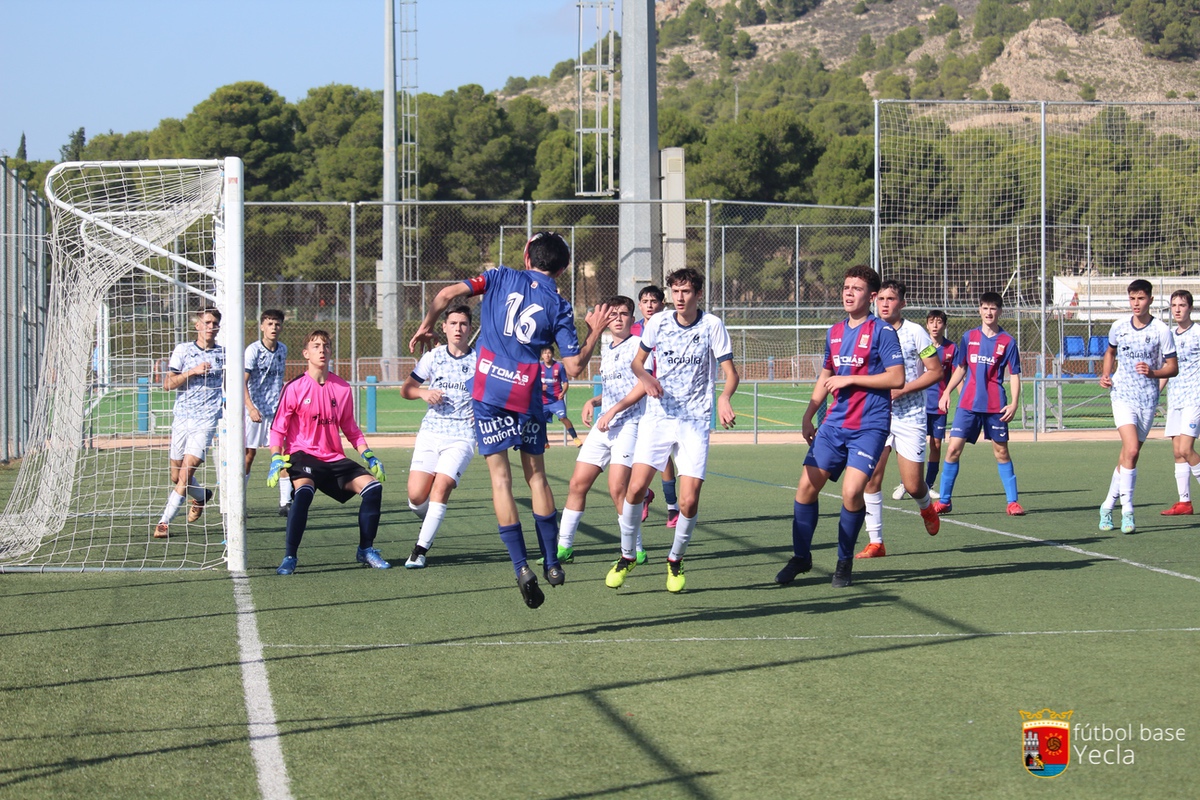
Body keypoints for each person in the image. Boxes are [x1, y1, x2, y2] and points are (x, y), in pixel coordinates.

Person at [409, 232, 610, 609]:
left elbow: (445, 295)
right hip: (526, 395)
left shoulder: (499, 276)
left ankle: (521, 567)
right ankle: (550, 562)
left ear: (526, 256)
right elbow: (575, 367)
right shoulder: (561, 306)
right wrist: (594, 331)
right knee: (536, 477)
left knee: (501, 481)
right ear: (563, 268)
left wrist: (428, 323)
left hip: (488, 393)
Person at [604, 267, 739, 593]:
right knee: (634, 490)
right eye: (675, 291)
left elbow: (730, 372)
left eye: (686, 292)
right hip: (658, 418)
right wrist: (647, 378)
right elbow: (638, 363)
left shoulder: (712, 326)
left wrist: (724, 396)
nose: (680, 298)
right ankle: (627, 555)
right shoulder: (658, 322)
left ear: (698, 294)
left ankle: (675, 560)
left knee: (689, 501)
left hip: (694, 421)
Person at [773, 266, 904, 589]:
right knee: (805, 489)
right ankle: (802, 558)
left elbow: (897, 378)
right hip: (834, 424)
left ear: (871, 297)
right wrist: (809, 412)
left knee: (851, 492)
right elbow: (826, 375)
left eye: (856, 289)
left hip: (869, 426)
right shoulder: (834, 331)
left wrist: (852, 378)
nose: (848, 293)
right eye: (846, 287)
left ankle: (844, 561)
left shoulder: (882, 332)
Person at [269, 330, 389, 575]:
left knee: (373, 488)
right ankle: (290, 556)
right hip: (302, 454)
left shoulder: (342, 388)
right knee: (303, 492)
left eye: (325, 345)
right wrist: (275, 458)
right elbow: (278, 428)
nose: (321, 349)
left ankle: (366, 549)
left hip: (333, 457)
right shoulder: (294, 388)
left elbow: (351, 428)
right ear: (306, 353)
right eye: (315, 346)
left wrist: (369, 455)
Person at [554, 296, 649, 564]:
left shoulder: (638, 347)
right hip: (604, 425)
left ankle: (635, 549)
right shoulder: (608, 349)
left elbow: (643, 386)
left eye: (625, 313)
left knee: (617, 489)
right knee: (577, 484)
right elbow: (613, 388)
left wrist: (612, 410)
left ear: (632, 319)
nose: (619, 318)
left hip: (629, 426)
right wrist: (594, 401)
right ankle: (564, 547)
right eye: (614, 313)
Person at [857, 280, 943, 559]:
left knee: (912, 484)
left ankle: (925, 506)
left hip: (910, 417)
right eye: (880, 298)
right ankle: (876, 542)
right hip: (877, 416)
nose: (884, 303)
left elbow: (935, 371)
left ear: (902, 303)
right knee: (870, 477)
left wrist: (902, 389)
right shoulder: (868, 331)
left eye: (891, 298)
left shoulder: (916, 333)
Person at [933, 292, 1025, 517]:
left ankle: (1012, 502)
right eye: (985, 308)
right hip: (968, 404)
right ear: (980, 310)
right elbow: (961, 368)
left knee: (1001, 451)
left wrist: (1014, 403)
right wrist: (946, 392)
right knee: (953, 449)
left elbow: (1014, 375)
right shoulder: (968, 337)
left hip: (995, 405)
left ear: (1000, 311)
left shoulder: (1008, 342)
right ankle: (944, 501)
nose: (989, 312)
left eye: (993, 308)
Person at [1096, 280, 1177, 533]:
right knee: (1130, 450)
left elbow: (1172, 367)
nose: (1136, 304)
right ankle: (1128, 511)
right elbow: (1110, 352)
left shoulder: (1161, 331)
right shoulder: (1119, 327)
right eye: (1132, 299)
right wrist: (1106, 374)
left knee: (1129, 456)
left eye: (1140, 299)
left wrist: (1153, 372)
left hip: (1147, 399)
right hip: (1122, 396)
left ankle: (1107, 505)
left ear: (1150, 300)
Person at [400, 305, 477, 568]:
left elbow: (496, 394)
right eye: (453, 323)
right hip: (431, 432)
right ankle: (431, 515)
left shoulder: (480, 360)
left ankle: (419, 550)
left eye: (463, 324)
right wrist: (423, 393)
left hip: (462, 436)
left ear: (469, 328)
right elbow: (407, 389)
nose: (458, 328)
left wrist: (484, 411)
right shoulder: (433, 357)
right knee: (416, 496)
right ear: (443, 328)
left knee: (441, 487)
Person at [153, 307, 226, 539]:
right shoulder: (183, 350)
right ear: (197, 326)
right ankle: (202, 495)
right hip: (182, 418)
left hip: (206, 421)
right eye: (206, 322)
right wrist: (191, 372)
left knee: (185, 473)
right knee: (176, 476)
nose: (210, 327)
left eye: (214, 323)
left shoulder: (224, 354)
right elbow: (167, 384)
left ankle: (164, 522)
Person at [631, 285, 681, 527]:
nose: (649, 304)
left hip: (658, 397)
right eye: (645, 301)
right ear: (639, 305)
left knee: (663, 455)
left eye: (654, 300)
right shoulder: (632, 330)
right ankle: (643, 495)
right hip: (634, 396)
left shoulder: (671, 327)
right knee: (633, 452)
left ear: (663, 304)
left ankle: (672, 506)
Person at [894, 309, 955, 501]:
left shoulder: (949, 348)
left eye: (939, 322)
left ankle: (927, 485)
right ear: (927, 324)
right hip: (903, 407)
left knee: (936, 444)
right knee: (900, 448)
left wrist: (949, 394)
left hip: (932, 405)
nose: (935, 325)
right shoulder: (913, 341)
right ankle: (906, 482)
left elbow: (954, 374)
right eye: (932, 322)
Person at [243, 309, 291, 515]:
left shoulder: (283, 349)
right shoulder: (252, 350)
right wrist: (250, 407)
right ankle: (239, 499)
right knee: (248, 455)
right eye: (269, 324)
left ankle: (285, 502)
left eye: (277, 324)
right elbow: (241, 382)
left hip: (276, 412)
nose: (273, 328)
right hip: (255, 412)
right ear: (262, 326)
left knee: (283, 455)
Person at [1161, 290, 1200, 516]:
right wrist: (1153, 393)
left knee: (1187, 449)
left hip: (1194, 398)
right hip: (1174, 399)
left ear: (1190, 308)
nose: (1177, 309)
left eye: (1182, 305)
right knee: (1177, 452)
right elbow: (1166, 369)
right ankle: (1184, 502)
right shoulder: (1169, 336)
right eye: (1173, 305)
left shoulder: (1198, 332)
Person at [539, 345, 582, 446]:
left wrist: (563, 393)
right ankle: (545, 442)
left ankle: (575, 438)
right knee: (540, 421)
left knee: (563, 417)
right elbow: (533, 383)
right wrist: (540, 388)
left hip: (556, 400)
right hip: (543, 401)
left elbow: (565, 382)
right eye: (545, 353)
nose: (547, 355)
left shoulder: (559, 366)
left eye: (549, 353)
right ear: (542, 355)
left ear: (553, 354)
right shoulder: (538, 367)